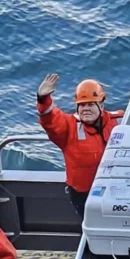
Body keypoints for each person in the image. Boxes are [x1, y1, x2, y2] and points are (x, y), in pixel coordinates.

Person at [36, 74, 124, 216]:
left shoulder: (118, 121)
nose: (86, 108)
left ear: (101, 106)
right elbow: (50, 120)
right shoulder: (69, 127)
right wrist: (43, 99)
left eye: (90, 104)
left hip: (116, 189)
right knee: (90, 224)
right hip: (83, 195)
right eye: (82, 105)